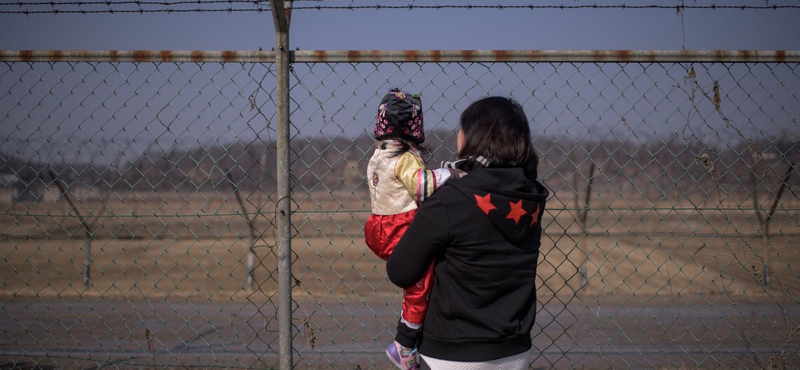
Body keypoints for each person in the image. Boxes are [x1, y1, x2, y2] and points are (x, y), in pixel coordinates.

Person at [386, 96, 549, 370]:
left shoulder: (451, 200)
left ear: (474, 137)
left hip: (452, 352)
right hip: (515, 349)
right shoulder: (530, 197)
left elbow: (400, 271)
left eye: (462, 129)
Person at [364, 89, 459, 370]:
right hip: (400, 226)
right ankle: (404, 345)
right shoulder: (403, 158)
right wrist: (452, 173)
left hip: (379, 225)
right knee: (419, 285)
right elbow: (422, 187)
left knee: (417, 278)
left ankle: (413, 336)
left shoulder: (378, 154)